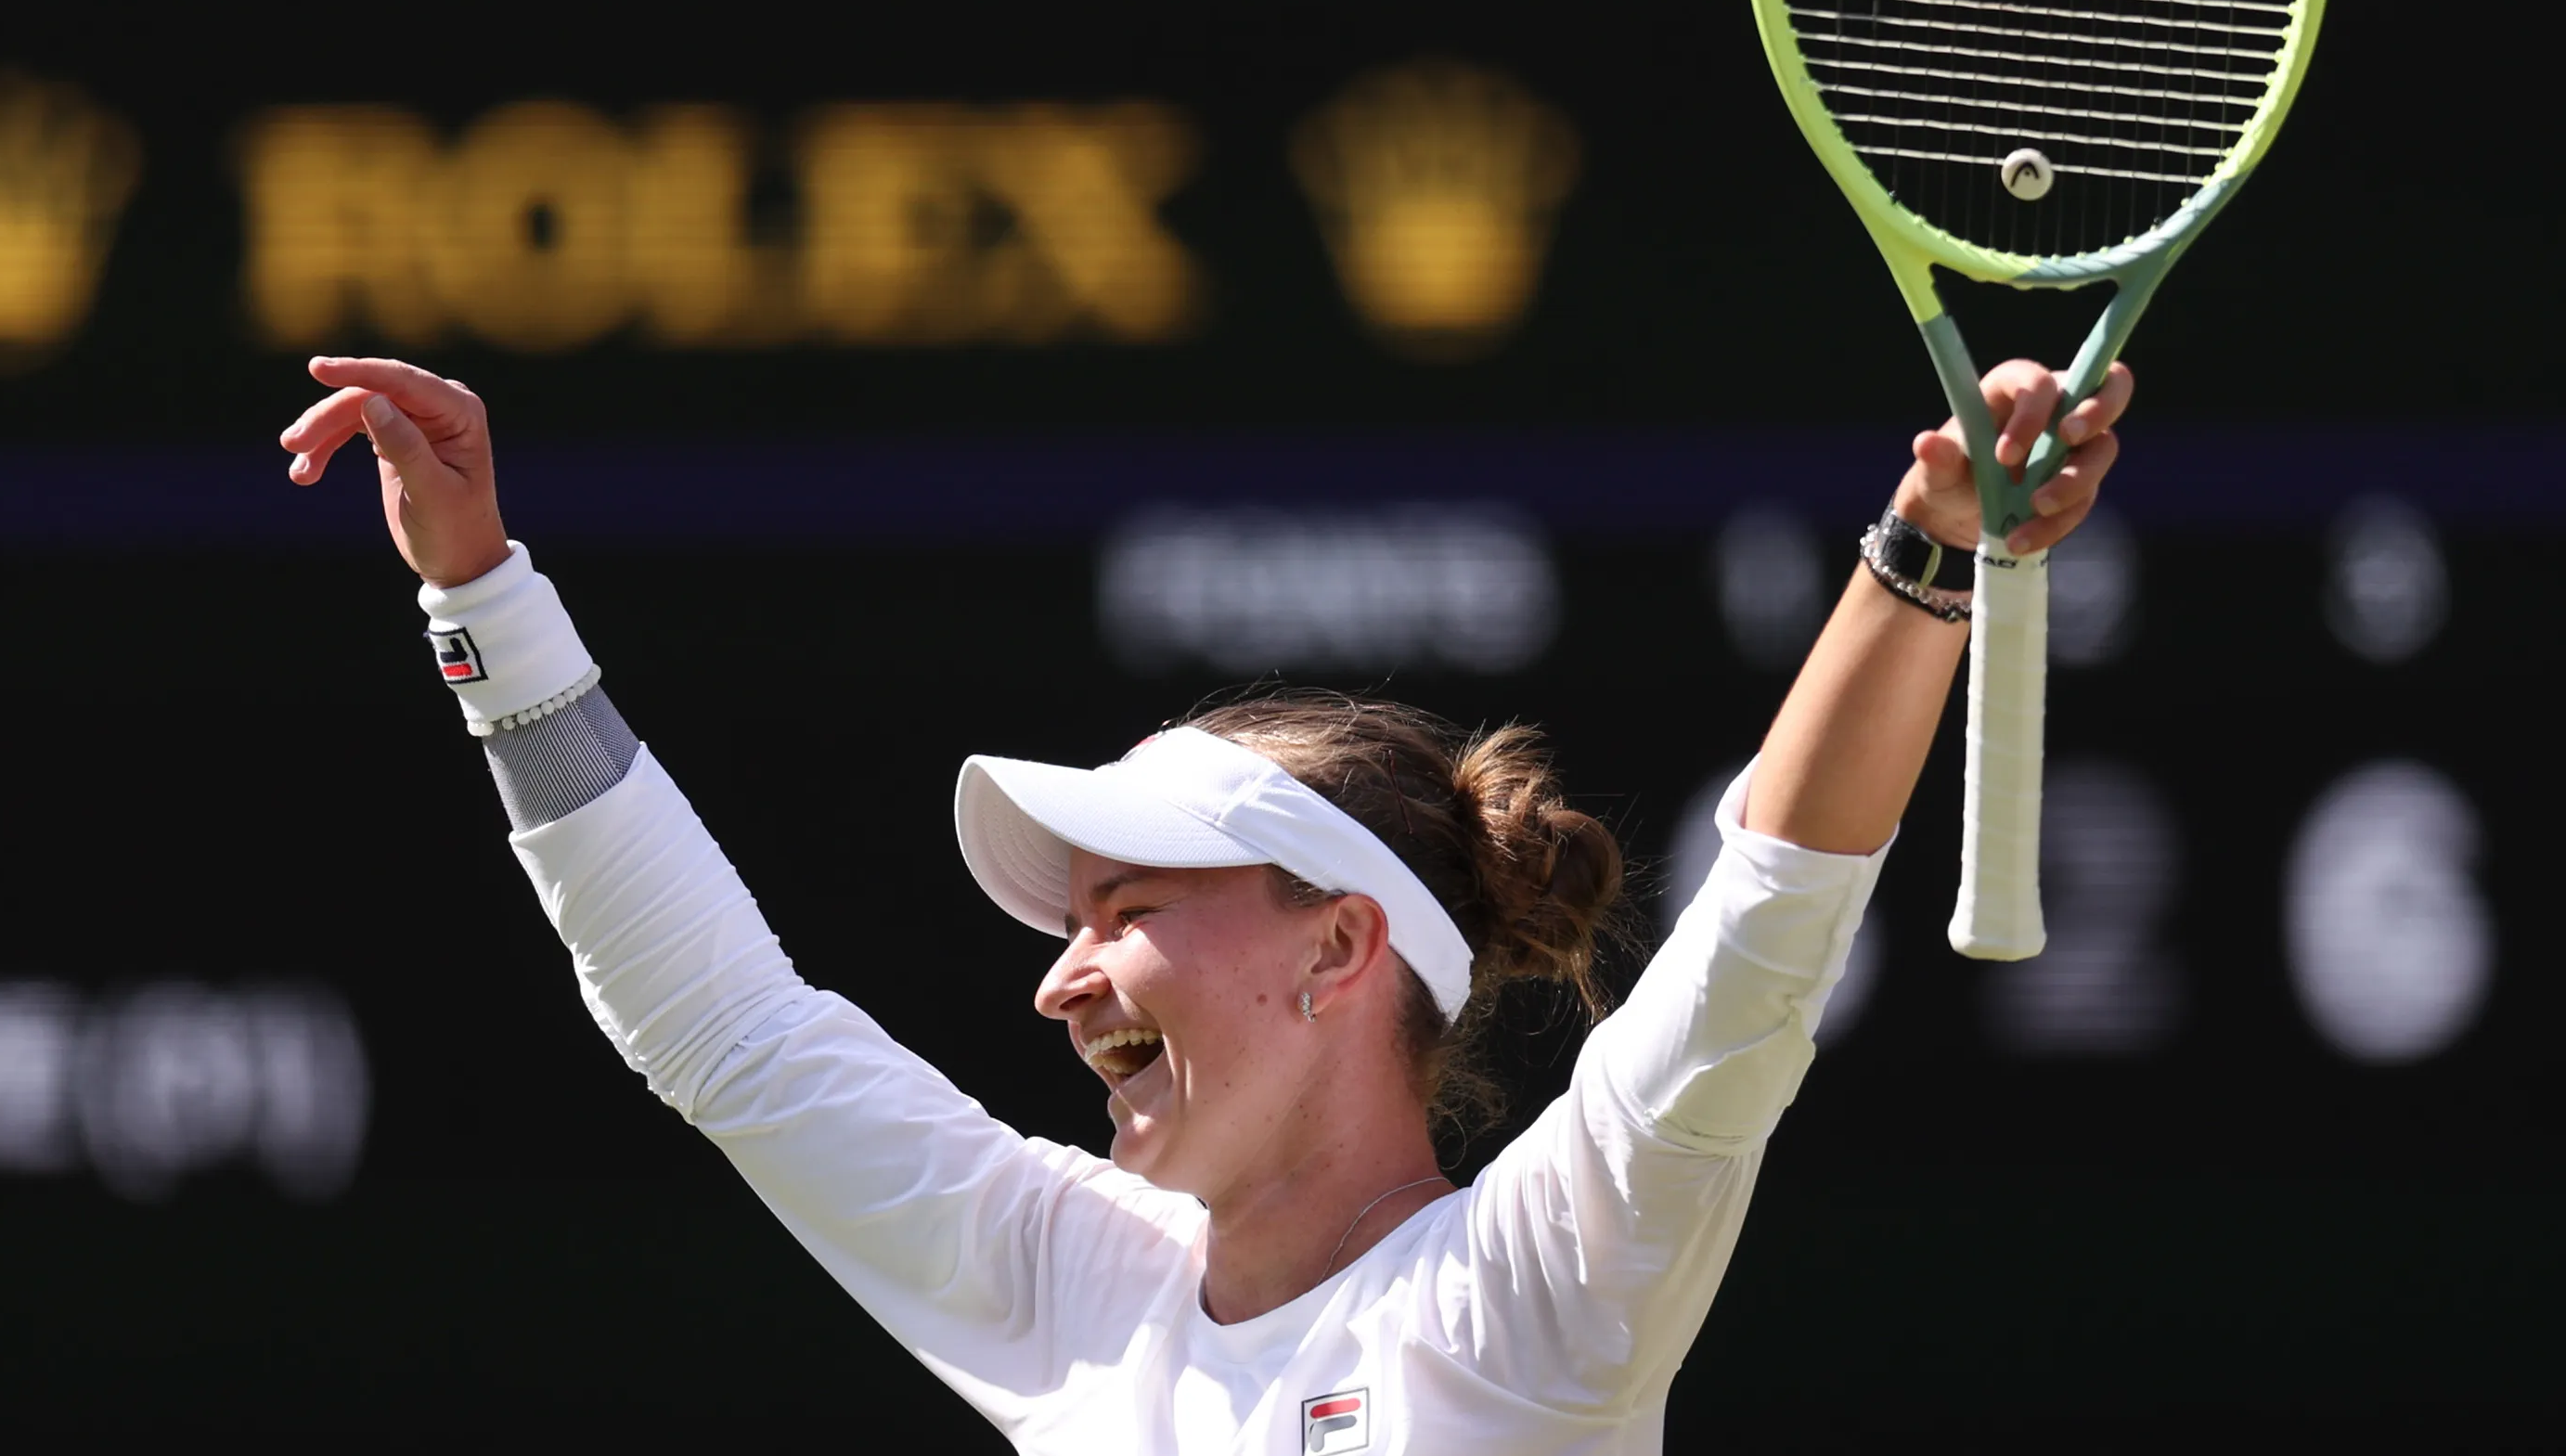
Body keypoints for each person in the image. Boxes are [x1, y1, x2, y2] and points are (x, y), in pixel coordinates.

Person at [276, 351, 2130, 1452]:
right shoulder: (1066, 1277)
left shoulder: (1527, 1295)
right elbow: (721, 1027)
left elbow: (1755, 949)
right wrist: (484, 605)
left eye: (1124, 908)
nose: (1060, 984)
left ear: (1339, 946)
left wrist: (1919, 563)